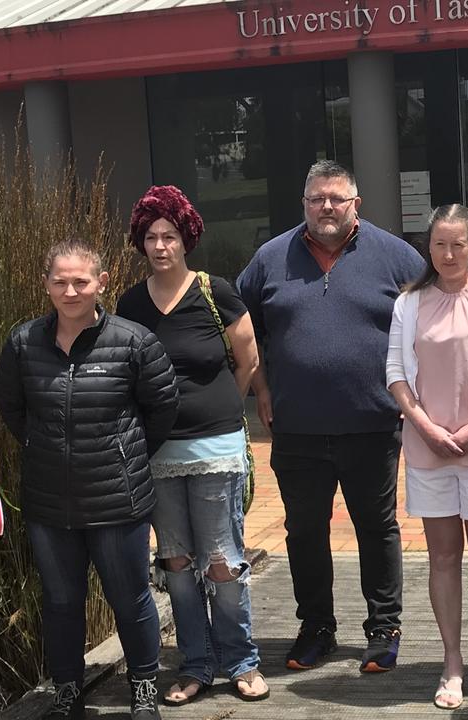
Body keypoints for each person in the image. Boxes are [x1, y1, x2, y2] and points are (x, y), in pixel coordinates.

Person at [236, 160, 423, 672]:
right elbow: (238, 323)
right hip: (296, 427)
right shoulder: (271, 258)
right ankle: (317, 627)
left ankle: (384, 626)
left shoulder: (396, 256)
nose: (325, 207)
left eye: (336, 198)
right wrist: (260, 385)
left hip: (373, 423)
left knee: (376, 527)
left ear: (355, 204)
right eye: (316, 198)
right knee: (304, 531)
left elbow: (428, 322)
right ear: (304, 203)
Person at [0, 240, 179, 720]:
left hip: (118, 499)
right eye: (60, 281)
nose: (70, 290)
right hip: (49, 502)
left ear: (100, 282)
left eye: (81, 281)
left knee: (129, 597)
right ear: (46, 284)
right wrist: (44, 448)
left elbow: (161, 411)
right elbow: (11, 408)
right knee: (60, 602)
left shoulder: (134, 341)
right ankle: (68, 692)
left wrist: (124, 455)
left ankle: (142, 688)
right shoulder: (22, 342)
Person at [117, 185, 268, 704]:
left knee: (223, 562)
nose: (161, 246)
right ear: (142, 243)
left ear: (187, 239)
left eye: (170, 236)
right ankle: (196, 665)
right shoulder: (131, 303)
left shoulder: (215, 291)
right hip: (157, 455)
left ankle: (242, 661)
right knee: (177, 565)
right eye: (152, 237)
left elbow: (246, 360)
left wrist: (226, 408)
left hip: (214, 452)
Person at [385, 204, 468, 710]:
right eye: (439, 244)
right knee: (443, 556)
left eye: (457, 244)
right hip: (428, 447)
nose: (448, 254)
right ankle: (451, 662)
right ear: (429, 248)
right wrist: (425, 426)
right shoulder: (409, 302)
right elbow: (396, 371)